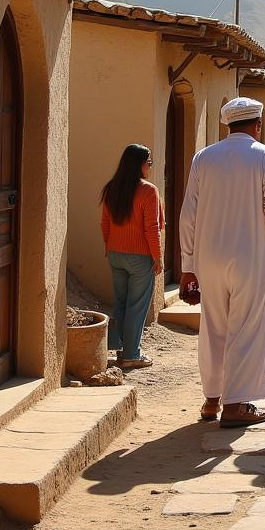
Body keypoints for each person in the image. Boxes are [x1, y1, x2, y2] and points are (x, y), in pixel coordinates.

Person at [179, 97, 265, 427]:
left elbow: (188, 216)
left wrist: (187, 266)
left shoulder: (204, 157)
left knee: (214, 326)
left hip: (208, 256)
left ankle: (212, 400)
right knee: (248, 326)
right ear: (257, 124)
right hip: (252, 254)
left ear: (227, 125)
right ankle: (236, 404)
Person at [100, 143, 164, 370]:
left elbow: (105, 223)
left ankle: (118, 347)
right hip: (139, 257)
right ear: (139, 164)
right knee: (137, 306)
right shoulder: (148, 190)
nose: (150, 167)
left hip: (116, 254)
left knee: (121, 302)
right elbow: (152, 228)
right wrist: (158, 257)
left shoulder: (111, 188)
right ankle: (131, 354)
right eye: (149, 162)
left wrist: (110, 247)